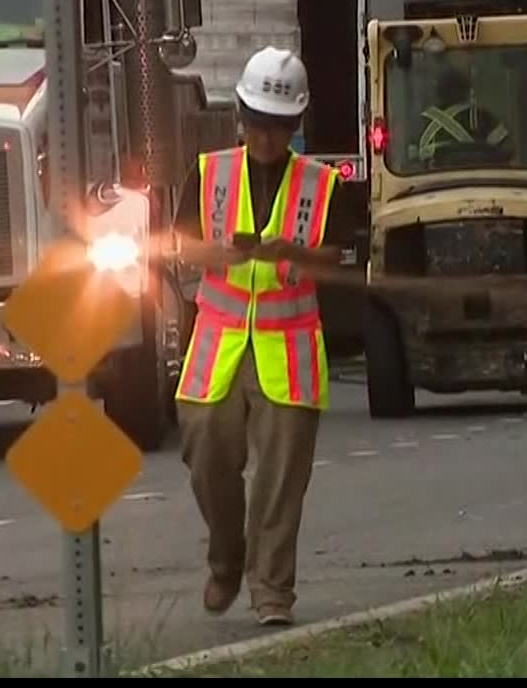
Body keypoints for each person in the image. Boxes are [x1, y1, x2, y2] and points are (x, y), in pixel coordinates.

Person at [170, 46, 357, 627]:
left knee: (280, 480)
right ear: (240, 116)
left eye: (278, 126)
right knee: (204, 452)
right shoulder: (210, 172)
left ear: (295, 123)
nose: (266, 136)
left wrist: (292, 251)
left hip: (288, 349)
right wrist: (218, 253)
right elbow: (182, 246)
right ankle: (227, 557)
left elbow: (337, 256)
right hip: (218, 343)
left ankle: (271, 590)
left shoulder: (323, 184)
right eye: (257, 123)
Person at [418, 53, 508, 159]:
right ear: (465, 90)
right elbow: (506, 148)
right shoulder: (478, 116)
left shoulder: (423, 120)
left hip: (433, 168)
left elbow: (412, 157)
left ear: (439, 92)